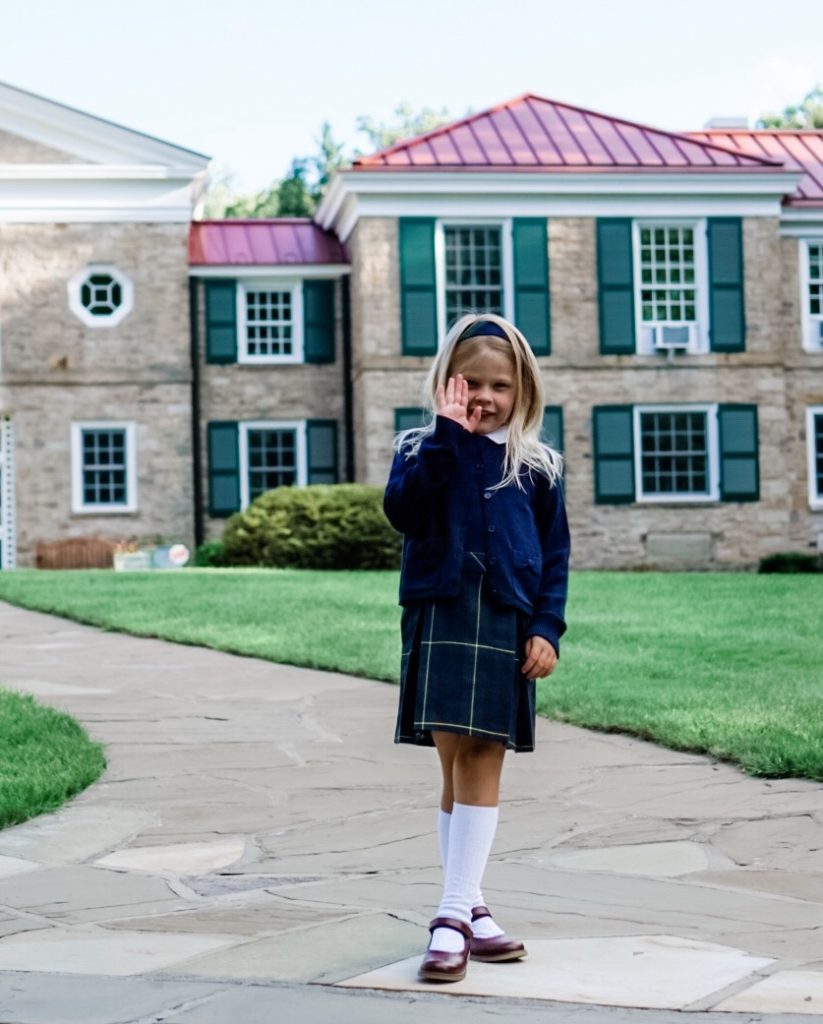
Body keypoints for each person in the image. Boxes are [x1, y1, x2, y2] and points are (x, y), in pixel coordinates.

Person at [383, 312, 570, 983]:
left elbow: (555, 555)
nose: (485, 397)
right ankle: (471, 909)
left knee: (483, 756)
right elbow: (404, 512)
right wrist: (446, 437)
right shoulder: (419, 448)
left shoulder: (538, 465)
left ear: (522, 391)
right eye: (472, 384)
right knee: (453, 765)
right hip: (439, 608)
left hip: (505, 618)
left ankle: (451, 915)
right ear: (447, 384)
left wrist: (546, 626)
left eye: (500, 386)